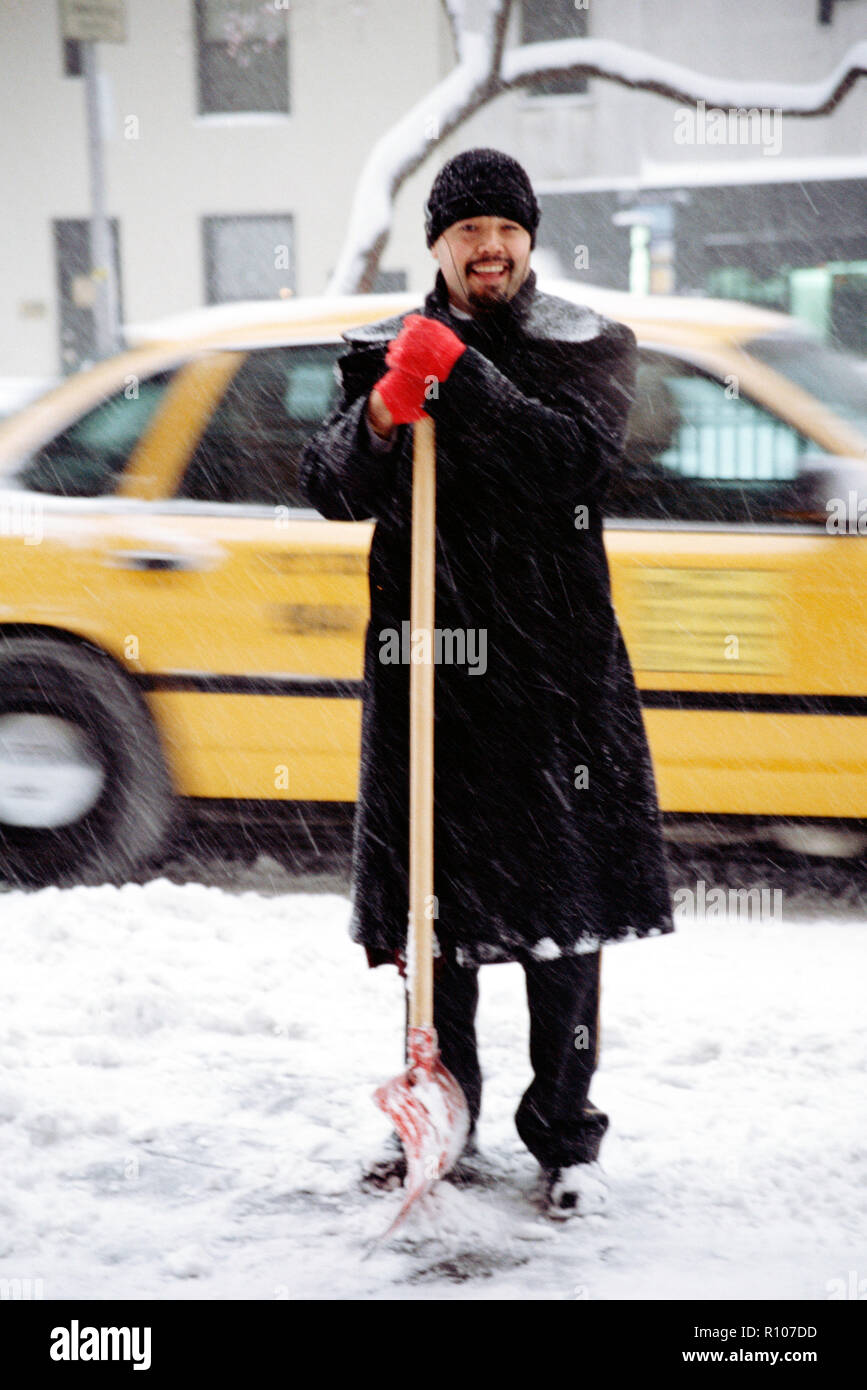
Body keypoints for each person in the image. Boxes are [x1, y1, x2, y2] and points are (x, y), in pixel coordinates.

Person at [299, 148, 674, 1217]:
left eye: (506, 229)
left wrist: (465, 381)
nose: (490, 248)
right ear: (438, 244)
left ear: (530, 237)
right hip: (432, 678)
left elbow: (574, 463)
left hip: (554, 679)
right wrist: (383, 410)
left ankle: (567, 1139)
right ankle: (440, 1115)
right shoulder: (378, 351)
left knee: (566, 917)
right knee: (435, 913)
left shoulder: (590, 348)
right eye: (469, 231)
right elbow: (331, 486)